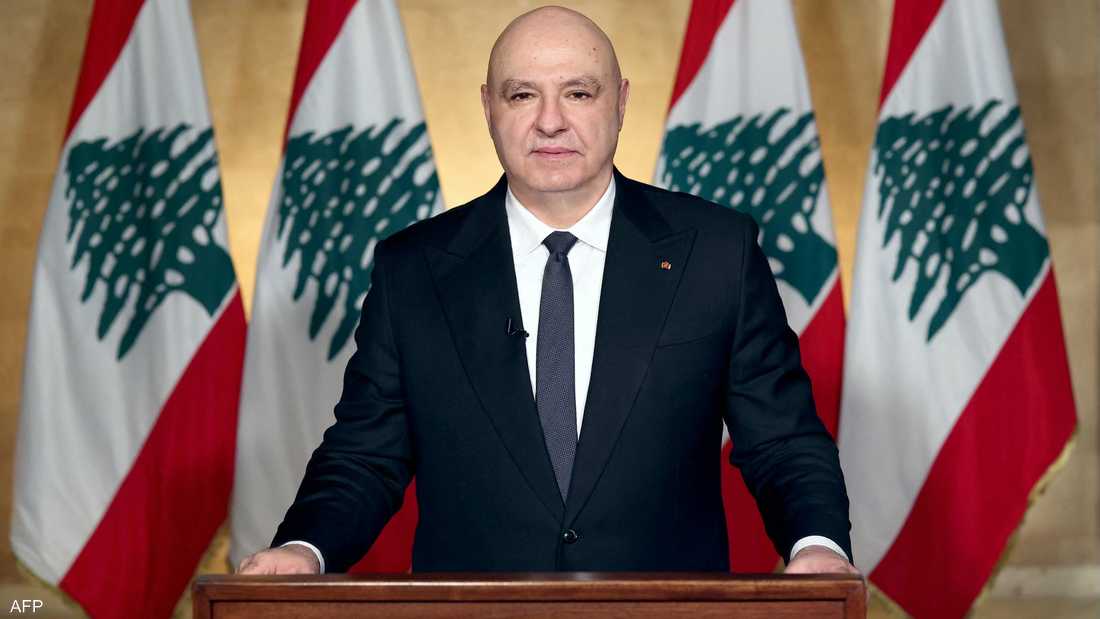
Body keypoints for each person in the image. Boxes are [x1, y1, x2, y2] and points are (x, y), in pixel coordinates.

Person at [239, 5, 856, 576]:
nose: (551, 121)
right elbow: (365, 455)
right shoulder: (414, 269)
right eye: (522, 94)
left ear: (620, 102)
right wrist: (303, 549)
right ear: (488, 107)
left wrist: (817, 547)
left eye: (578, 93)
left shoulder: (716, 252)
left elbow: (782, 440)